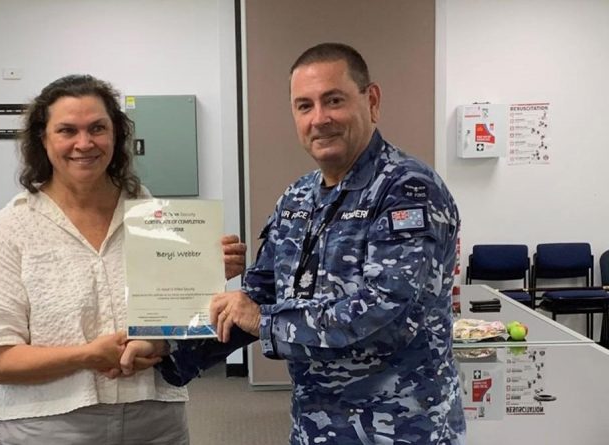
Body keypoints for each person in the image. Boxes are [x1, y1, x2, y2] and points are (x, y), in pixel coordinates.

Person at [126, 42, 466, 444]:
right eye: (304, 106)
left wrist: (265, 320)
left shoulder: (407, 190)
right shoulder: (298, 197)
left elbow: (387, 316)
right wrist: (170, 350)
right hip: (316, 426)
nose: (319, 119)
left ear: (371, 101)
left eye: (333, 100)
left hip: (403, 428)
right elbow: (259, 293)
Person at [0, 74, 246, 445]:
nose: (84, 143)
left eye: (97, 128)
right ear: (43, 139)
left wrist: (206, 274)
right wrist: (85, 356)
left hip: (154, 419)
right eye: (67, 131)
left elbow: (177, 323)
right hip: (44, 426)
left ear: (117, 135)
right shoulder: (10, 229)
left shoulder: (155, 218)